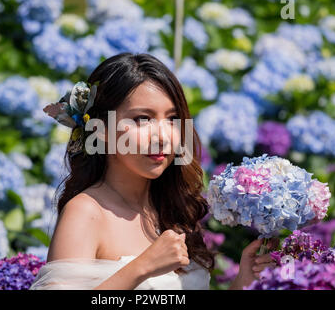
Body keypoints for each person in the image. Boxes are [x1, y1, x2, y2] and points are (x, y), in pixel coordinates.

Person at [29, 53, 278, 290]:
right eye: (142, 119)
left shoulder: (174, 210)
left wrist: (245, 280)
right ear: (101, 129)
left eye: (171, 119)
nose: (162, 136)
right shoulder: (86, 211)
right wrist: (142, 267)